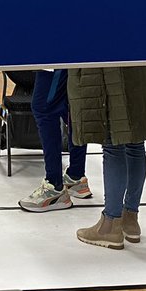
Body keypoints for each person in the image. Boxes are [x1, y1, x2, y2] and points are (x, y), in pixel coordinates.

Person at [69, 65, 146, 249]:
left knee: (113, 143)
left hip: (107, 64)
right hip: (138, 65)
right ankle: (130, 219)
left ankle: (110, 225)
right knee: (136, 141)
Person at [18, 69, 91, 212]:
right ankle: (75, 175)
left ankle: (54, 187)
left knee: (43, 109)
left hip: (55, 57)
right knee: (69, 107)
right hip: (66, 56)